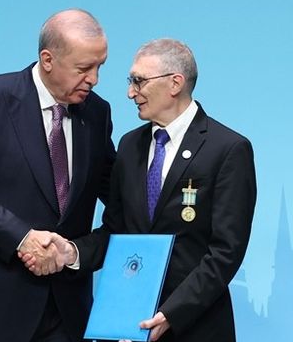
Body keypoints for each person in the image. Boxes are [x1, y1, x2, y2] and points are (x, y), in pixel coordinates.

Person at [28, 38, 257, 342]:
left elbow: (226, 252)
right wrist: (71, 252)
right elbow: (115, 231)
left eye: (139, 81)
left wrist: (172, 313)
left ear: (175, 83)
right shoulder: (129, 145)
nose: (130, 92)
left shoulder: (227, 149)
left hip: (196, 328)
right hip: (129, 325)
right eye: (131, 81)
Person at [0, 9, 116, 342]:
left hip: (66, 312)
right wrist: (22, 237)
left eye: (99, 66)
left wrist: (76, 252)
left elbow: (117, 195)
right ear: (48, 60)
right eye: (83, 68)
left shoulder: (97, 112)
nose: (94, 79)